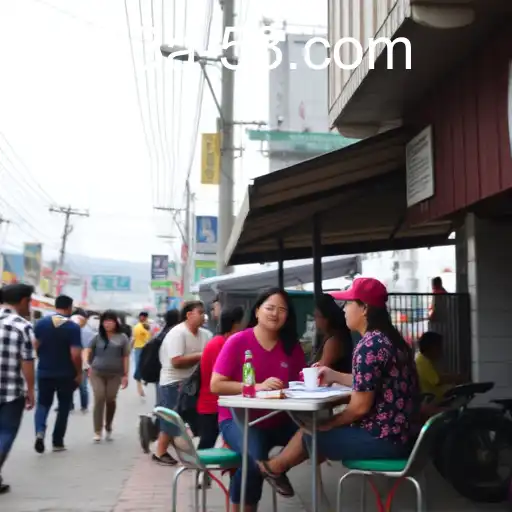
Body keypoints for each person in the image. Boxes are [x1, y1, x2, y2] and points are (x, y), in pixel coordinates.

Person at [258, 278, 420, 498]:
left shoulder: (369, 346)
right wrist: (335, 376)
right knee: (315, 432)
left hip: (384, 440)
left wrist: (328, 424)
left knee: (310, 434)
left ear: (364, 308)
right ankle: (275, 468)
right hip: (405, 436)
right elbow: (373, 381)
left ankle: (272, 468)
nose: (344, 309)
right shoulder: (393, 340)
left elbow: (359, 408)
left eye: (349, 303)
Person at [210, 289, 306, 511]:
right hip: (238, 420)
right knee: (254, 456)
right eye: (270, 308)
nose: (275, 314)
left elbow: (299, 383)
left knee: (317, 436)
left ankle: (275, 468)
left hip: (281, 419)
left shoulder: (292, 346)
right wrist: (256, 386)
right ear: (257, 311)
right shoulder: (238, 341)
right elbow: (216, 385)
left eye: (281, 310)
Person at [153, 301, 211, 466]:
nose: (203, 316)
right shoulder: (177, 333)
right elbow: (176, 361)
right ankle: (159, 452)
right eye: (200, 312)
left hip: (193, 383)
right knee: (172, 419)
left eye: (204, 312)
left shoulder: (206, 334)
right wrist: (202, 355)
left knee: (188, 419)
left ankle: (189, 452)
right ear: (189, 314)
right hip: (173, 382)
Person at [33, 295, 82, 454]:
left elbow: (35, 346)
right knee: (63, 407)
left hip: (44, 371)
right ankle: (57, 441)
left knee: (43, 404)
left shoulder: (41, 323)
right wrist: (78, 372)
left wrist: (43, 358)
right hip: (65, 374)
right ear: (69, 308)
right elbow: (75, 354)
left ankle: (40, 432)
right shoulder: (72, 327)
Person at [0, 284, 35, 494]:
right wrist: (31, 390)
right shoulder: (22, 326)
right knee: (5, 431)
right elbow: (27, 362)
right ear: (23, 301)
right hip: (11, 390)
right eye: (29, 302)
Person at [197, 306, 245, 450]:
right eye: (240, 324)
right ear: (235, 325)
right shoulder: (219, 344)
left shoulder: (222, 342)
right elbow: (223, 378)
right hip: (212, 405)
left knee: (218, 443)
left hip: (217, 403)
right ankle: (198, 465)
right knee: (207, 445)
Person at [85, 311, 130, 442]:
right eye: (105, 321)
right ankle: (97, 430)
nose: (107, 324)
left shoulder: (122, 338)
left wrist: (125, 375)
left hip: (115, 374)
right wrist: (87, 363)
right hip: (97, 372)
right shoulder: (97, 337)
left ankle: (108, 425)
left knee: (110, 399)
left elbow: (125, 357)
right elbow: (88, 350)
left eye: (110, 321)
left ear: (116, 322)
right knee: (99, 397)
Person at [415, 331, 465, 403]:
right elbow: (437, 381)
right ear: (431, 347)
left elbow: (437, 376)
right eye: (439, 347)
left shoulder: (424, 359)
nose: (441, 350)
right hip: (432, 402)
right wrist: (456, 378)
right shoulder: (422, 361)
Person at [311, 293, 353, 372]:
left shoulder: (333, 341)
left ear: (326, 319)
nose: (315, 320)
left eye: (317, 316)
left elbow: (320, 370)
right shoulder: (333, 336)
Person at [70, 309, 96, 412]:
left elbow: (87, 350)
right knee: (78, 385)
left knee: (81, 385)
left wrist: (86, 364)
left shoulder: (87, 332)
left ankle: (82, 405)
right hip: (75, 361)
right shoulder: (86, 331)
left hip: (80, 362)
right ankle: (78, 405)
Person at [132, 311, 151, 398]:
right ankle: (139, 388)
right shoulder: (139, 327)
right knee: (140, 367)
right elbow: (135, 338)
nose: (143, 318)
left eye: (144, 317)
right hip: (140, 348)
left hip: (142, 348)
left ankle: (141, 385)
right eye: (142, 316)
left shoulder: (145, 326)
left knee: (140, 366)